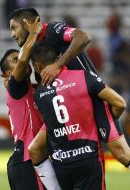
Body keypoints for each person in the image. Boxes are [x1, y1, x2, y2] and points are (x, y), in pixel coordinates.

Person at [8, 8, 130, 190]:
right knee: (36, 150)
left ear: (28, 22)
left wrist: (58, 64)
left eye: (14, 28)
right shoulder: (33, 48)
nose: (13, 34)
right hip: (66, 107)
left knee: (122, 153)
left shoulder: (53, 30)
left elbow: (83, 37)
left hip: (90, 98)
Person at [32, 41, 109, 189]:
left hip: (63, 163)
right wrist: (104, 126)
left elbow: (50, 124)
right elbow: (119, 103)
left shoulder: (40, 93)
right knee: (125, 155)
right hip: (88, 155)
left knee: (34, 149)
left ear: (37, 65)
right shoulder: (82, 76)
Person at [0, 17, 60, 190]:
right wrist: (33, 32)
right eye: (14, 60)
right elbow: (25, 59)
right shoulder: (15, 89)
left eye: (19, 57)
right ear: (7, 75)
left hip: (39, 158)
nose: (20, 60)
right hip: (24, 161)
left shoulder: (37, 89)